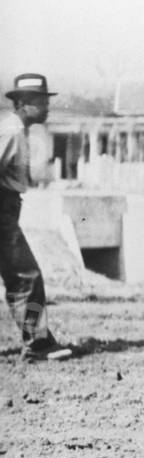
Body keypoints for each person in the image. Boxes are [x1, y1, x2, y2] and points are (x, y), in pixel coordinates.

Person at [1, 73, 73, 362]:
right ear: (23, 104)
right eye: (40, 101)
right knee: (27, 279)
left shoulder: (17, 129)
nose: (47, 107)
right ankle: (38, 343)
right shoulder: (11, 132)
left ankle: (38, 338)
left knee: (24, 279)